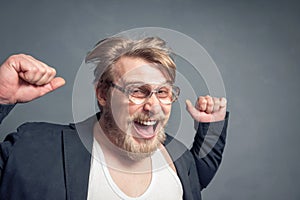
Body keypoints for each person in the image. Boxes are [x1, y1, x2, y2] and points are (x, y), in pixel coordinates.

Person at [0, 37, 229, 200]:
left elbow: (196, 178)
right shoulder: (33, 146)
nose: (153, 106)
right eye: (137, 90)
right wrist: (0, 97)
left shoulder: (177, 157)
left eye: (162, 92)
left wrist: (212, 127)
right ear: (102, 94)